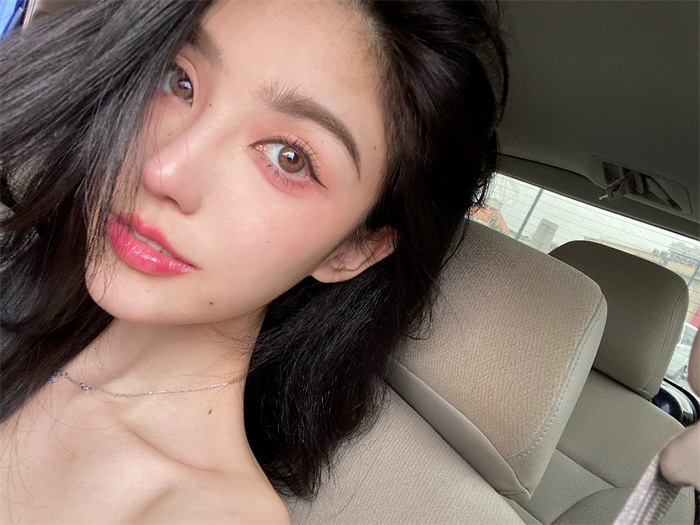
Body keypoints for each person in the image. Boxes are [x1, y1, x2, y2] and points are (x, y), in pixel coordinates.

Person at [0, 0, 508, 522]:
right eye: (179, 80)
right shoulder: (24, 285)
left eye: (290, 157)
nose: (163, 170)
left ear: (353, 248)